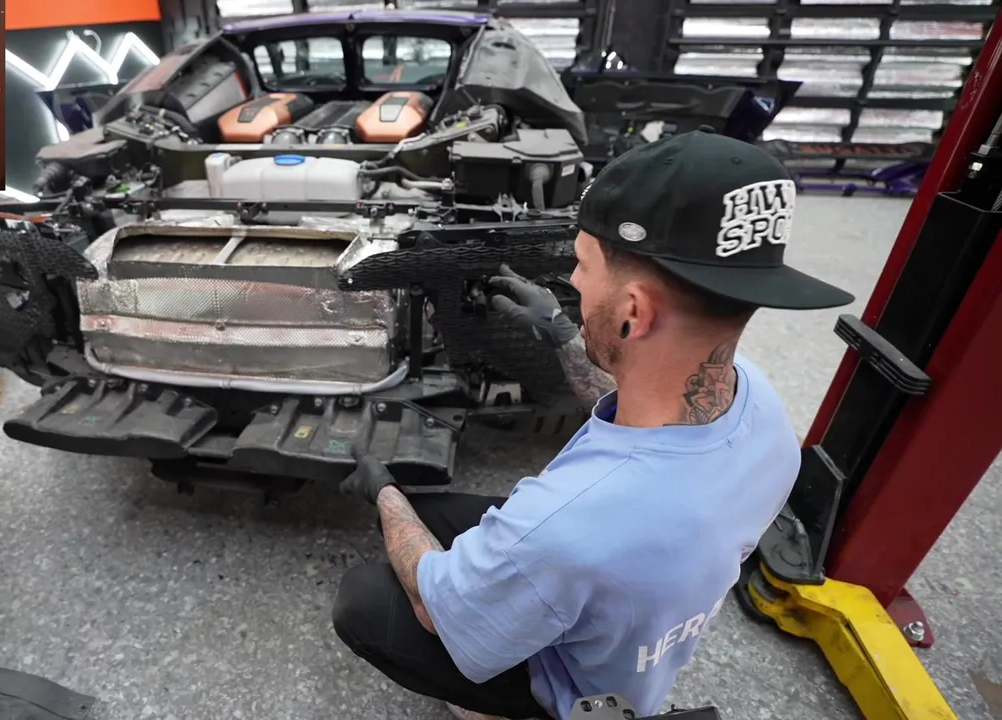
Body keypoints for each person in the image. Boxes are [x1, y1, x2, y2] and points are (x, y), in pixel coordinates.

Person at [330, 128, 856, 720]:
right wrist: (562, 333)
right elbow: (646, 412)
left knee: (366, 599)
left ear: (634, 310)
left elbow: (434, 605)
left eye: (582, 265)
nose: (574, 283)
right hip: (635, 620)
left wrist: (384, 491)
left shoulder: (572, 524)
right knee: (440, 514)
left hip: (577, 688)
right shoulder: (761, 408)